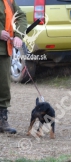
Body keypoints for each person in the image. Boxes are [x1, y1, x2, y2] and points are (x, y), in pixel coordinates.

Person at [1, 0, 26, 134]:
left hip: (4, 51)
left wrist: (19, 35)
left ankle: (2, 120)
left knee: (4, 86)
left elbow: (21, 16)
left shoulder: (9, 1)